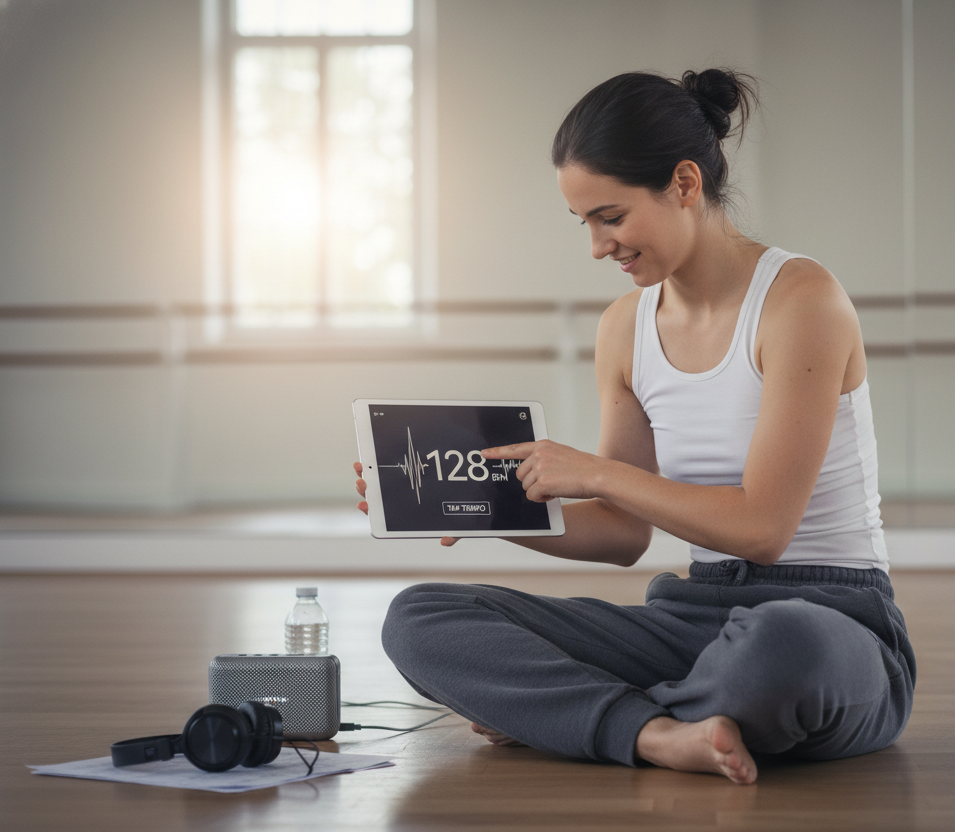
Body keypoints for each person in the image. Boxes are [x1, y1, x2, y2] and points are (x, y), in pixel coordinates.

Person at [354, 69, 915, 786]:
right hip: (692, 620)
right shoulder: (626, 328)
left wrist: (592, 471)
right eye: (583, 222)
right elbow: (624, 535)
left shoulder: (801, 301)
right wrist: (473, 506)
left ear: (684, 184)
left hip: (832, 619)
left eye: (610, 216)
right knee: (418, 617)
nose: (597, 246)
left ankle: (584, 718)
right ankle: (659, 734)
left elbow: (763, 529)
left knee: (781, 646)